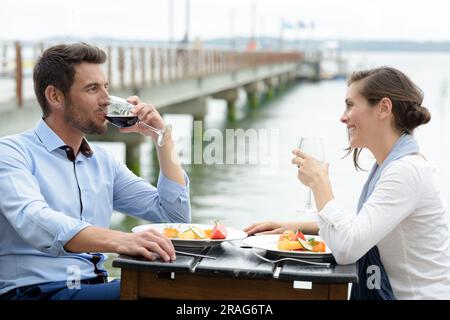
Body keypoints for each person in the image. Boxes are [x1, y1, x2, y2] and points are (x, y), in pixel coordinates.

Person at [0, 43, 191, 300]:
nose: (106, 100)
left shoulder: (103, 161)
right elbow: (35, 220)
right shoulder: (11, 152)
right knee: (166, 293)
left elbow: (174, 215)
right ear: (55, 96)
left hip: (94, 287)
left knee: (188, 284)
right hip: (36, 292)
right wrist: (121, 240)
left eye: (106, 87)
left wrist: (163, 138)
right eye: (92, 89)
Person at [245, 67, 450, 300]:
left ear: (384, 108)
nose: (343, 117)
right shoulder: (393, 166)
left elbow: (347, 249)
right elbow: (364, 227)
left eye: (350, 105)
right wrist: (295, 227)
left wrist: (320, 184)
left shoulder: (406, 171)